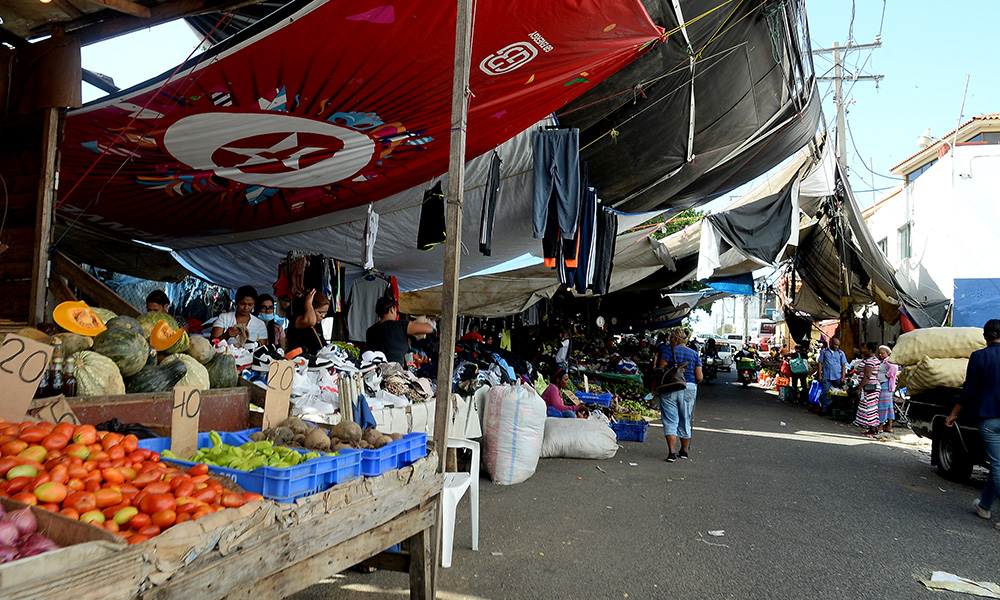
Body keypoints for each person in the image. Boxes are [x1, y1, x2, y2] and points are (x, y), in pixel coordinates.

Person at [945, 319, 1000, 530]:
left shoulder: (979, 356)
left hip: (989, 418)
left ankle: (986, 507)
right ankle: (984, 506)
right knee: (997, 465)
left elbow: (969, 389)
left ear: (985, 337)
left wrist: (953, 414)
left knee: (997, 465)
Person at [656, 327, 703, 462]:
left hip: (670, 387)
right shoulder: (694, 354)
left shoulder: (668, 351)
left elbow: (661, 369)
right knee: (685, 419)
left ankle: (671, 453)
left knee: (670, 420)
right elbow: (699, 377)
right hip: (688, 388)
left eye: (671, 338)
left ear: (676, 339)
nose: (669, 341)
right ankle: (683, 451)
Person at [365, 297, 435, 365]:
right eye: (396, 311)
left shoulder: (370, 331)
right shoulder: (401, 325)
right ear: (392, 309)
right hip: (394, 371)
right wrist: (428, 322)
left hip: (375, 370)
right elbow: (429, 329)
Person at [286, 290, 331, 355]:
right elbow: (311, 321)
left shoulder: (317, 324)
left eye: (325, 312)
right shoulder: (298, 320)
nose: (323, 316)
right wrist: (308, 303)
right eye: (320, 312)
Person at [816, 336, 848, 416]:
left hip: (837, 376)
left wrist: (843, 377)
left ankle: (833, 409)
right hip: (826, 376)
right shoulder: (824, 352)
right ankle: (824, 409)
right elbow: (820, 363)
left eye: (838, 345)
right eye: (835, 345)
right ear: (831, 344)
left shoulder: (841, 353)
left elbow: (844, 365)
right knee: (825, 393)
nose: (837, 346)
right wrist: (820, 375)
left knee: (837, 394)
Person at [854, 342, 881, 436]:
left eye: (864, 348)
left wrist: (860, 387)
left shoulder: (870, 361)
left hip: (870, 387)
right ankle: (873, 429)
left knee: (870, 408)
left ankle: (873, 429)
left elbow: (867, 376)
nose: (862, 350)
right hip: (872, 386)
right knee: (871, 407)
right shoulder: (871, 360)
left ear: (870, 350)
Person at [876, 345, 898, 433]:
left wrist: (887, 375)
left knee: (882, 406)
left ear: (887, 353)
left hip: (885, 385)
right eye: (879, 353)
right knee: (889, 407)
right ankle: (889, 426)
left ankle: (880, 426)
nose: (880, 355)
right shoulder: (884, 361)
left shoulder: (888, 361)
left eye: (882, 353)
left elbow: (894, 368)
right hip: (887, 386)